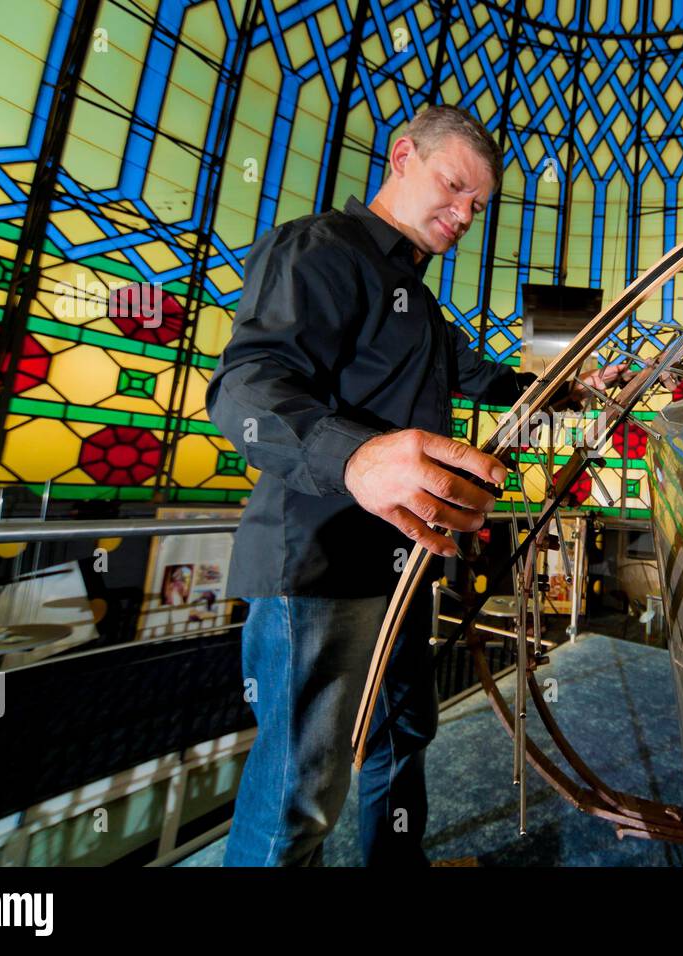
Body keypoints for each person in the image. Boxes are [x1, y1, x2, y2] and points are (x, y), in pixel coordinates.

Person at [206, 104, 616, 866]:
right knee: (301, 790)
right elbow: (245, 387)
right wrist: (356, 460)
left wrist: (573, 388)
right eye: (454, 187)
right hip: (317, 565)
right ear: (402, 157)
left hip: (401, 562)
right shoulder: (319, 249)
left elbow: (490, 378)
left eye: (477, 206)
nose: (464, 215)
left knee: (404, 733)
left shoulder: (417, 303)